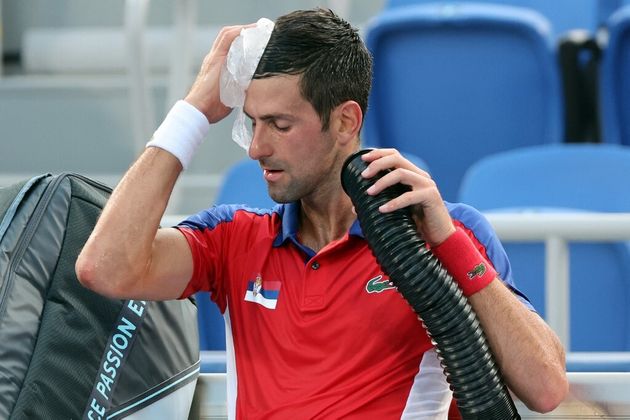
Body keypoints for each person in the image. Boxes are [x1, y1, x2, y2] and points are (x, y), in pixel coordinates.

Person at [76, 8, 568, 419]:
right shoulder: (233, 237)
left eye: (280, 124)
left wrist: (448, 243)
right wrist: (193, 111)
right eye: (252, 123)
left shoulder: (443, 232)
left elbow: (545, 387)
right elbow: (105, 268)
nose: (257, 148)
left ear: (345, 121)